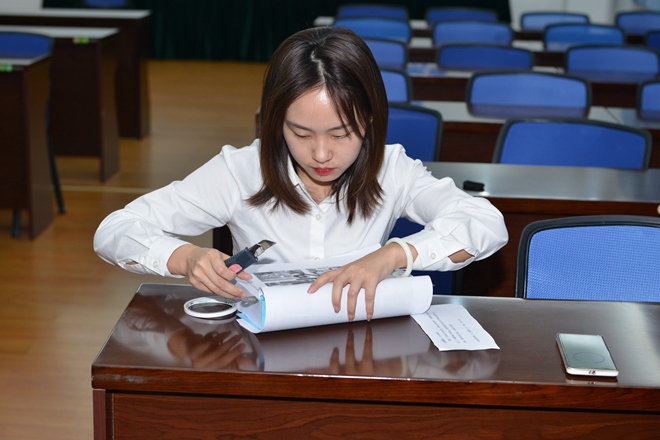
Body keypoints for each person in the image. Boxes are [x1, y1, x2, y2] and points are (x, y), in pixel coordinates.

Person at [94, 26, 508, 322]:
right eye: (301, 133)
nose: (321, 154)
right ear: (276, 122)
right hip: (259, 347)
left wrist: (393, 255)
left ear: (370, 120)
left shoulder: (391, 168)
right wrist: (187, 258)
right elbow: (115, 230)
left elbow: (486, 223)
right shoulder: (240, 171)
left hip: (359, 343)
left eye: (341, 134)